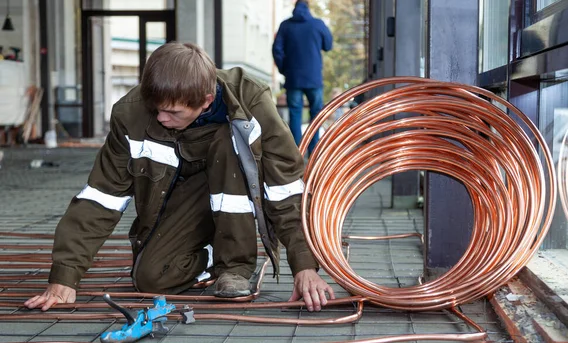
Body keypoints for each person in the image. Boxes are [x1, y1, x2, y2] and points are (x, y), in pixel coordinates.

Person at [24, 42, 335, 312]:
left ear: (206, 101)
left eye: (172, 113)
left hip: (233, 191)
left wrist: (304, 265)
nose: (160, 118)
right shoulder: (130, 115)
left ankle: (235, 265)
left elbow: (285, 188)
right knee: (150, 278)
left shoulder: (250, 103)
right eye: (156, 109)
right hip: (179, 206)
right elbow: (100, 198)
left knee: (229, 142)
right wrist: (63, 279)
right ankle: (212, 254)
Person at [272, 0, 332, 156]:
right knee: (316, 114)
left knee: (295, 113)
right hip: (314, 78)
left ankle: (296, 153)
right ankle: (313, 151)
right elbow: (328, 45)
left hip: (293, 78)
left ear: (295, 7)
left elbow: (276, 50)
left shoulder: (285, 25)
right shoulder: (317, 24)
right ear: (308, 7)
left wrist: (284, 68)